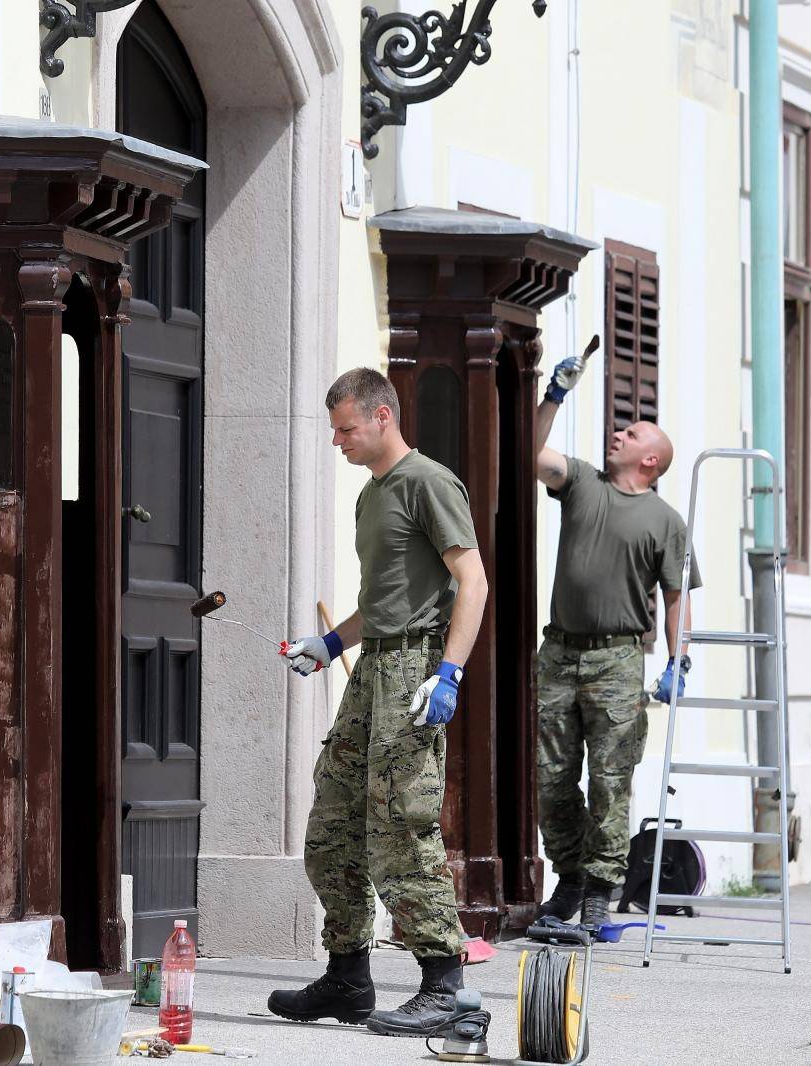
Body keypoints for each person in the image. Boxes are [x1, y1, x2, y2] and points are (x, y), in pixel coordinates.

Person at [267, 367, 489, 1038]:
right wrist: (331, 643)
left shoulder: (429, 483)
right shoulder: (373, 496)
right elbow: (383, 600)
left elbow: (472, 582)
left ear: (382, 417)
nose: (337, 440)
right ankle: (347, 977)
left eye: (345, 428)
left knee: (401, 822)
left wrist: (448, 673)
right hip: (373, 669)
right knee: (331, 824)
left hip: (416, 667)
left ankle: (446, 984)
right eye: (334, 429)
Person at [532, 336, 700, 931]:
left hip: (617, 661)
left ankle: (601, 889)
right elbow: (529, 452)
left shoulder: (665, 521)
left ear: (650, 460)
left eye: (632, 435)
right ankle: (569, 877)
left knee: (610, 780)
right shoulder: (582, 482)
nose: (620, 435)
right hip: (558, 652)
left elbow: (676, 600)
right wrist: (553, 394)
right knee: (549, 779)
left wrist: (680, 660)